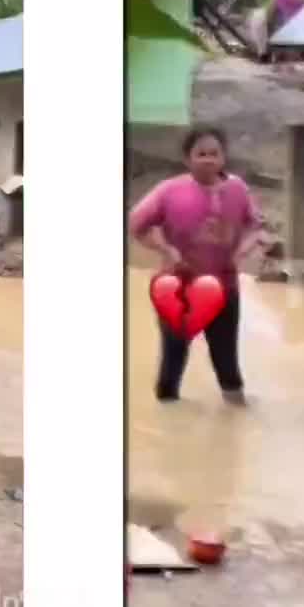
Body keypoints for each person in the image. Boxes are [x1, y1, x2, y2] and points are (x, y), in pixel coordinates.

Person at [129, 127, 265, 405]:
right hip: (177, 288)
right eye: (200, 154)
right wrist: (166, 249)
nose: (207, 160)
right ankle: (167, 424)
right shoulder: (169, 191)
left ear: (223, 158)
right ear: (187, 159)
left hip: (224, 287)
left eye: (214, 154)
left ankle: (235, 420)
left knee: (227, 362)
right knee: (173, 360)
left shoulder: (237, 189)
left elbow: (256, 227)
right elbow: (136, 224)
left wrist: (241, 252)